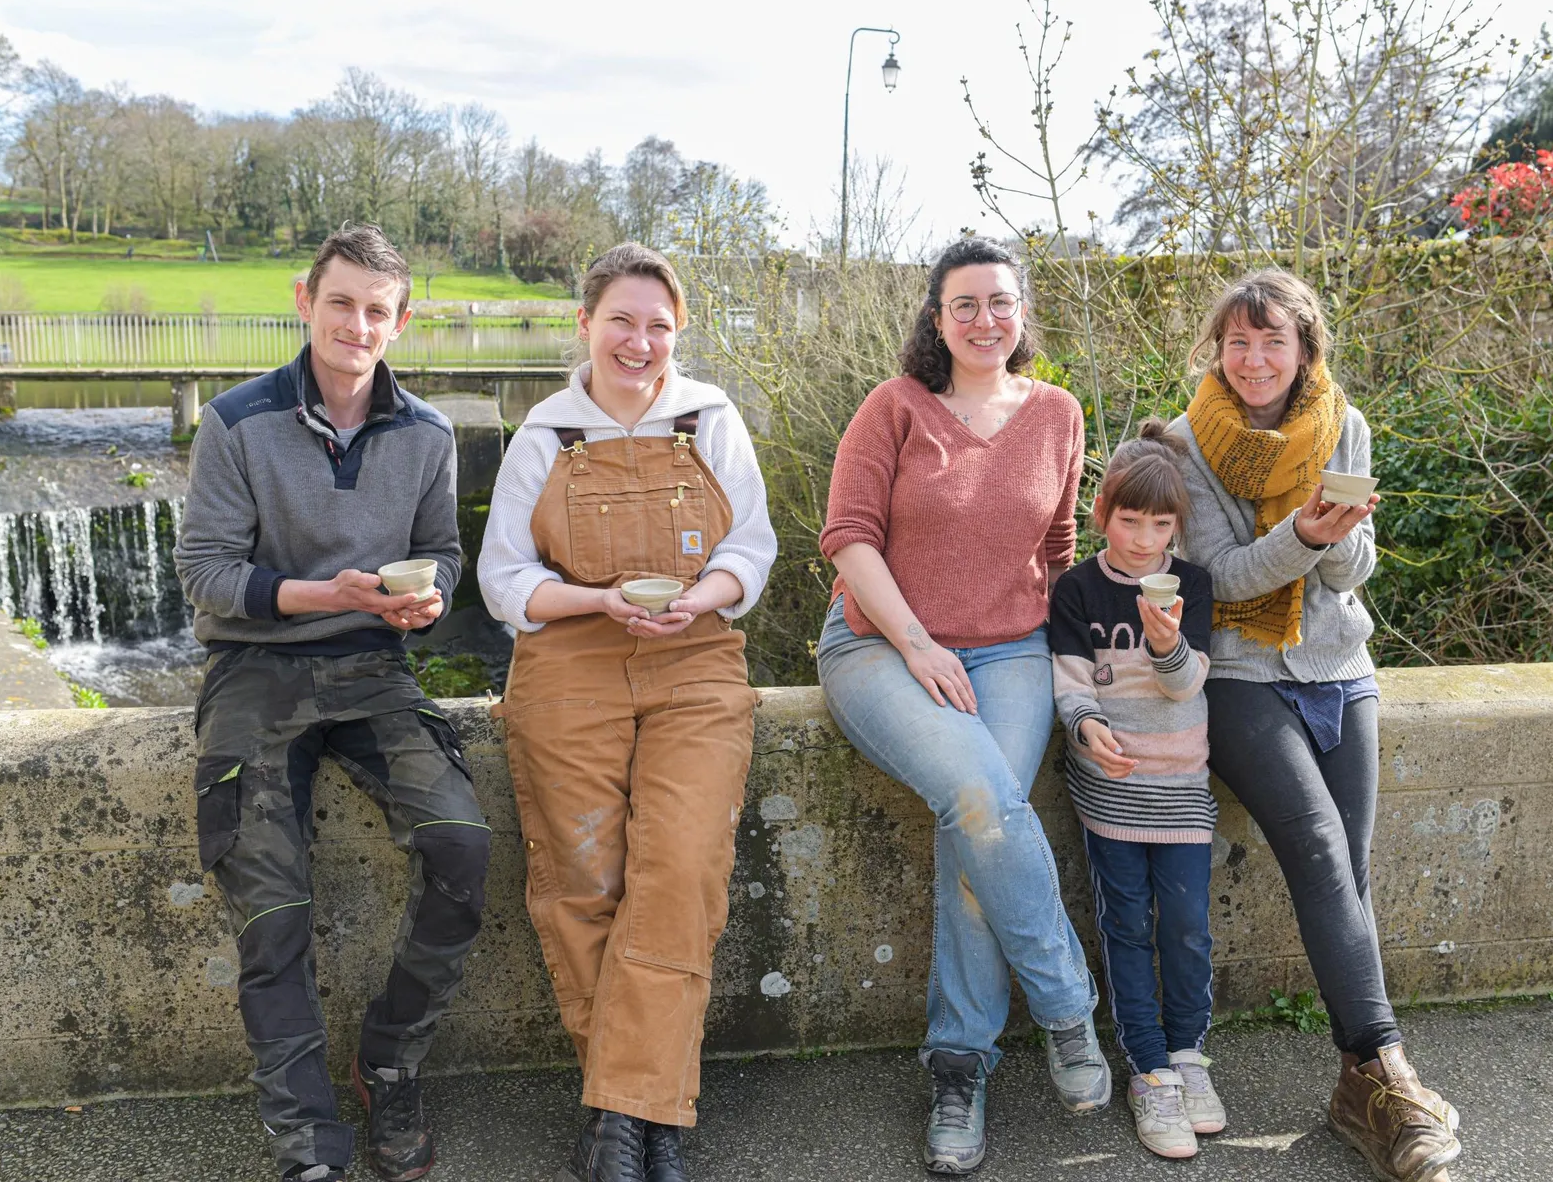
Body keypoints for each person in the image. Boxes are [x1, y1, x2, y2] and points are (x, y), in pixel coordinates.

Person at [175, 223, 489, 1182]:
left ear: (402, 322)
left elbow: (445, 548)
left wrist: (427, 591)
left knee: (460, 846)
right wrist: (331, 593)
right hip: (255, 672)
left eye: (378, 310)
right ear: (306, 301)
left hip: (372, 669)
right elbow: (205, 575)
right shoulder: (236, 423)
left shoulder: (428, 435)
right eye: (341, 302)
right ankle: (307, 1134)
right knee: (272, 903)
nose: (359, 324)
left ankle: (388, 1058)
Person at [478, 243, 775, 1182]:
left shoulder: (711, 419)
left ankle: (619, 1115)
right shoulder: (544, 434)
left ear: (675, 332)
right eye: (621, 321)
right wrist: (595, 601)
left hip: (694, 656)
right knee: (582, 876)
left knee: (681, 867)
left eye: (658, 325)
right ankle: (643, 1121)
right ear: (586, 324)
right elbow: (501, 579)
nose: (639, 341)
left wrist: (706, 593)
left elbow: (752, 549)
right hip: (569, 658)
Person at [816, 237, 1108, 1176]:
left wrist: (1089, 677)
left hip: (1015, 651)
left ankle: (959, 1066)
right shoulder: (895, 408)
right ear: (936, 319)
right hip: (879, 645)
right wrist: (915, 644)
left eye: (1001, 303)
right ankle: (1067, 1003)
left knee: (977, 820)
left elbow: (1059, 553)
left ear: (1024, 315)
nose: (985, 319)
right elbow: (849, 541)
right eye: (965, 305)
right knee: (982, 796)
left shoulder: (1058, 414)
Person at [1169, 269, 1461, 1182]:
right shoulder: (1184, 444)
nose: (1254, 360)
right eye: (1238, 342)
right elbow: (1219, 581)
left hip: (1341, 670)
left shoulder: (1345, 422)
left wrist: (1337, 538)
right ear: (1218, 349)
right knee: (1323, 853)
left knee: (1353, 870)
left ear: (1304, 351)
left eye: (1273, 343)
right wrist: (1307, 529)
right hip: (1243, 675)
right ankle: (1392, 1073)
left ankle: (1354, 1091)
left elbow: (1345, 580)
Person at [1048, 421, 1224, 1160]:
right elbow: (1069, 683)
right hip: (1110, 793)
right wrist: (1088, 731)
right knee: (1125, 926)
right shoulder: (1077, 587)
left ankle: (1187, 1055)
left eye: (1160, 524)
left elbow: (1188, 685)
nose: (1143, 537)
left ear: (1177, 526)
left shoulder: (1195, 585)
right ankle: (1149, 1070)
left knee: (1184, 926)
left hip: (1181, 786)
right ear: (1102, 514)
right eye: (1129, 519)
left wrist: (1163, 639)